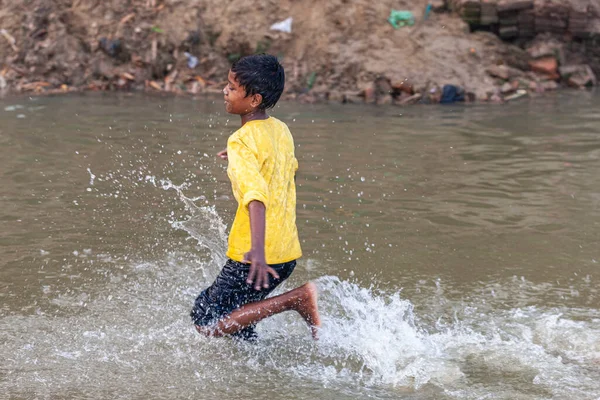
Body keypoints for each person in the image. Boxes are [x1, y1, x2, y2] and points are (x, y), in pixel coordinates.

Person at [190, 54, 321, 341]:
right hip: (285, 254)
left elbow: (257, 197)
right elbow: (286, 172)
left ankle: (295, 299)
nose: (225, 91)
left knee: (206, 321)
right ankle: (257, 381)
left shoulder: (241, 140)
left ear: (254, 100)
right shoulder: (280, 130)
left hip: (255, 255)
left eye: (232, 87)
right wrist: (240, 159)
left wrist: (258, 252)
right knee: (240, 330)